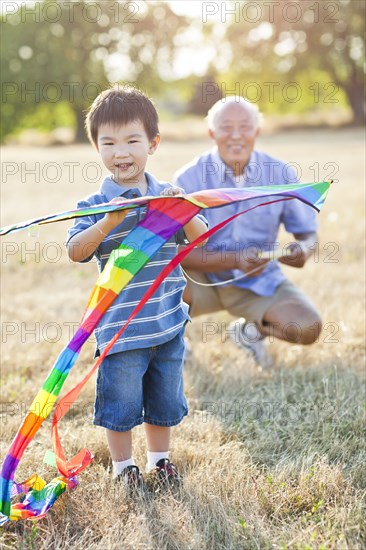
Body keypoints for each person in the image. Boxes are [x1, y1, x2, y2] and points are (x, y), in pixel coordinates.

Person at [66, 85, 207, 490]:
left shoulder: (166, 197)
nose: (120, 151)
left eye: (131, 140)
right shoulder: (94, 205)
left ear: (153, 143)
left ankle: (160, 461)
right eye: (108, 142)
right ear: (96, 148)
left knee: (162, 402)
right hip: (121, 332)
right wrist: (109, 221)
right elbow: (76, 251)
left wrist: (184, 210)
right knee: (122, 403)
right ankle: (123, 465)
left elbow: (200, 240)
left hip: (167, 325)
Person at [174, 96, 322, 369]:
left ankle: (248, 333)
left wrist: (304, 249)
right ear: (211, 133)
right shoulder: (188, 179)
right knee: (151, 283)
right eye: (226, 127)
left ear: (257, 131)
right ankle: (173, 342)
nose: (236, 136)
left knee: (308, 326)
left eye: (245, 126)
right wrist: (235, 259)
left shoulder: (280, 174)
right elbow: (177, 253)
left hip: (258, 282)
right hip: (200, 281)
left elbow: (308, 234)